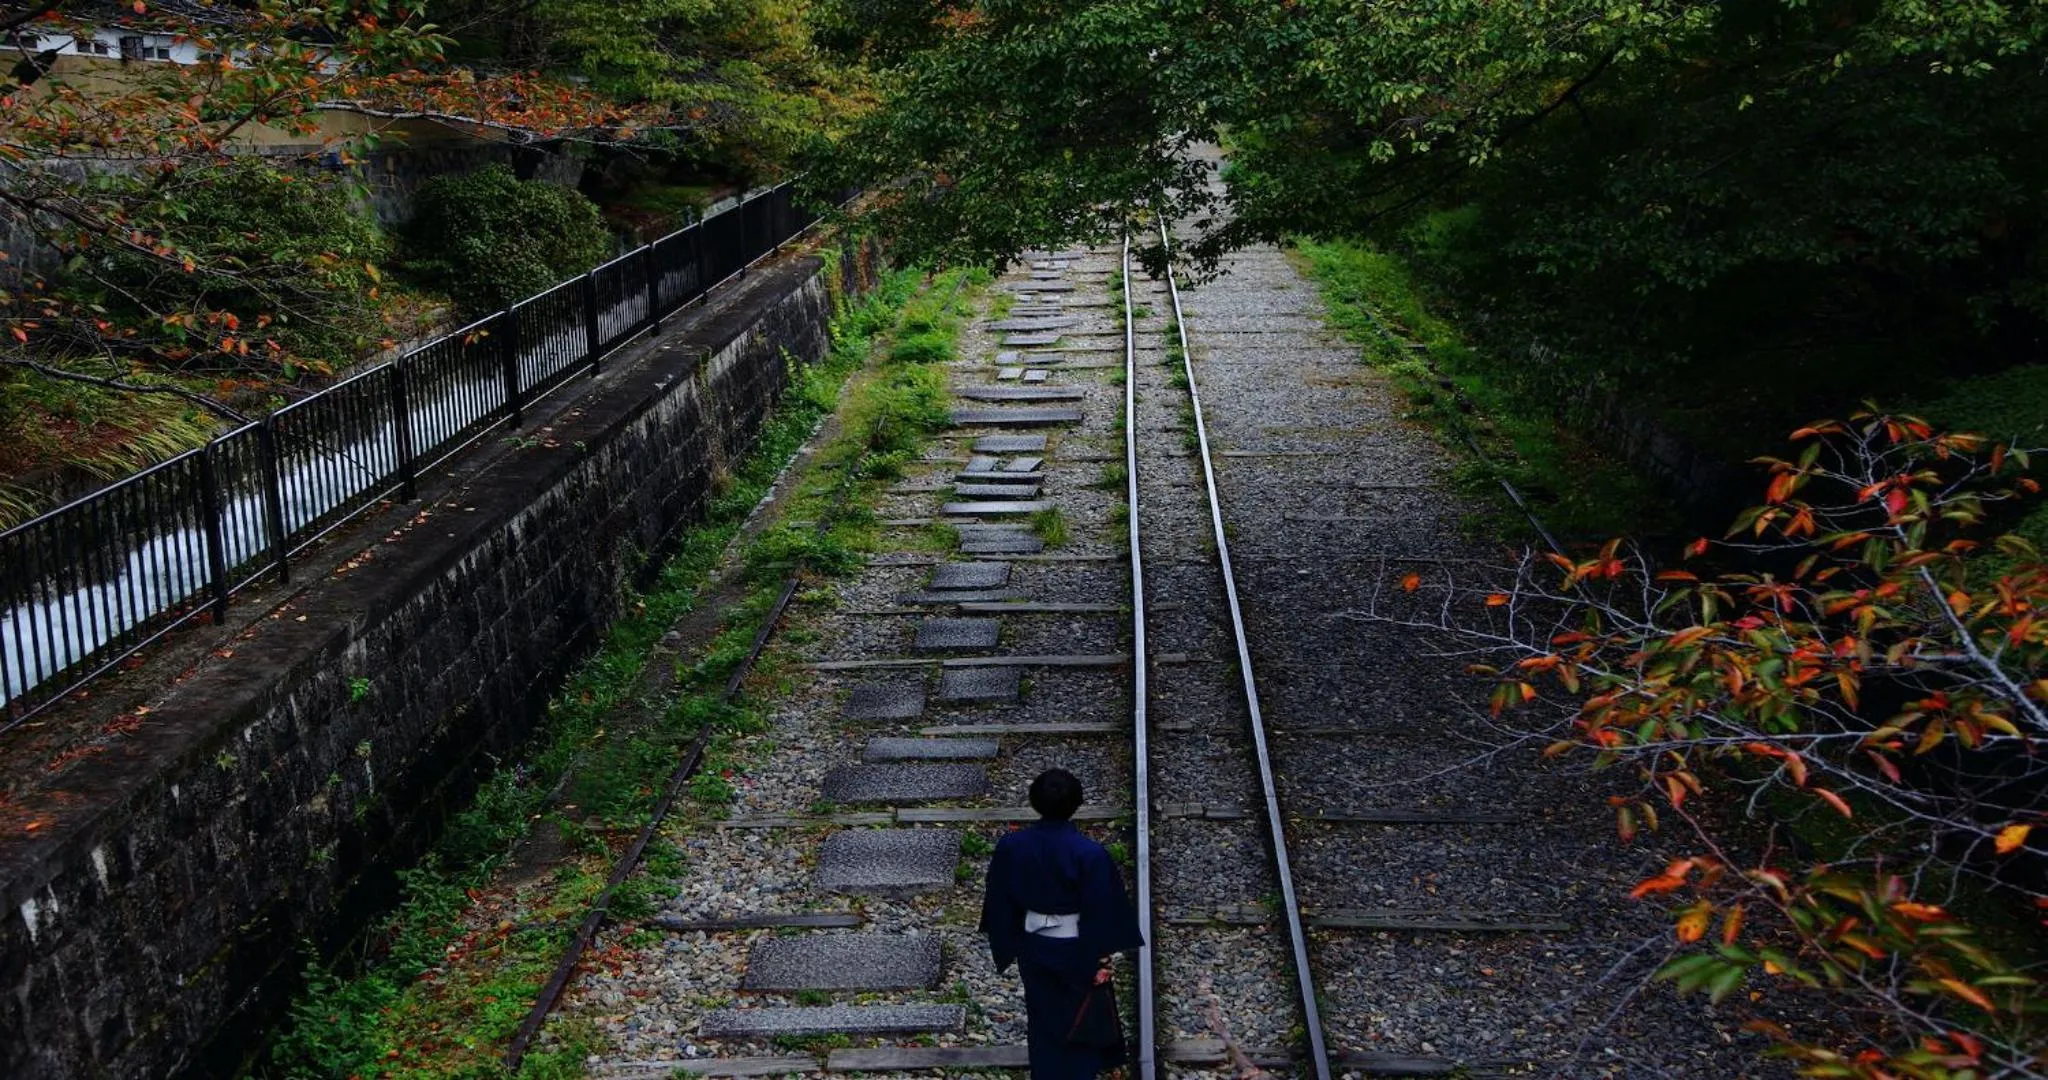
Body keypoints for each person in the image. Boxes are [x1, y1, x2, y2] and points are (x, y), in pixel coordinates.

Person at [980, 768, 1145, 1080]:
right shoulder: (1089, 853)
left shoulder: (1012, 846)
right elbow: (1101, 907)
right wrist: (1101, 955)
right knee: (1079, 1016)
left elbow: (1000, 897)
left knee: (1041, 1015)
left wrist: (1008, 941)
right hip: (1075, 944)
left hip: (1033, 942)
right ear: (1077, 803)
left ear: (1035, 801)